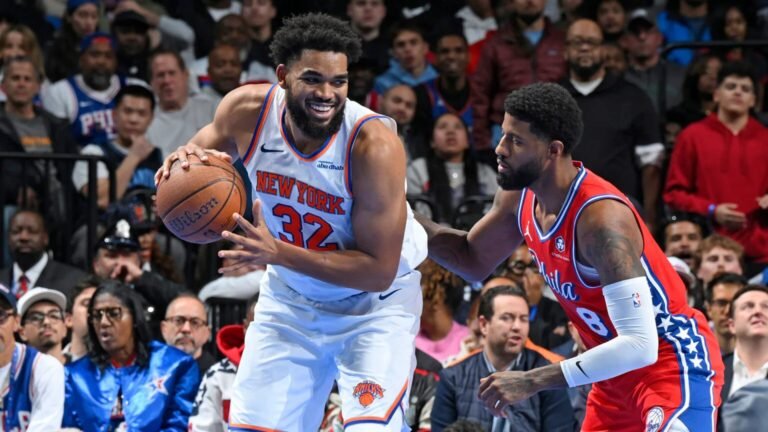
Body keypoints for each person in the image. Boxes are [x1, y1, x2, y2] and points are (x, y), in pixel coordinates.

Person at [156, 13, 427, 432]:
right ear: (283, 76)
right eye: (313, 79)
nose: (327, 94)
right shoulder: (247, 111)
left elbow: (378, 271)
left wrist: (278, 253)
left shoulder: (373, 146)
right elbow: (189, 169)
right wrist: (176, 166)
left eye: (338, 82)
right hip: (292, 300)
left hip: (373, 307)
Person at [416, 82, 723, 431]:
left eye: (516, 141)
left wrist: (532, 380)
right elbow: (470, 259)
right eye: (503, 135)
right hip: (611, 376)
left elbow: (640, 345)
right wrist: (399, 216)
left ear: (553, 150)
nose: (500, 149)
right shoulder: (519, 196)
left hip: (671, 364)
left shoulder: (600, 220)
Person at [664, 61, 768, 270]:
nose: (738, 92)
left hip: (762, 249)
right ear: (716, 94)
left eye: (745, 89)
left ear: (753, 100)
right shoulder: (691, 136)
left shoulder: (766, 138)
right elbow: (673, 194)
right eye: (731, 86)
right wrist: (712, 210)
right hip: (708, 249)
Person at [431, 285, 575, 431]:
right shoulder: (453, 377)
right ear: (484, 325)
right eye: (507, 318)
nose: (517, 326)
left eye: (524, 319)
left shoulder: (545, 376)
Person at [63, 281, 199, 431]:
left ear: (134, 317)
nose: (104, 322)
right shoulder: (75, 376)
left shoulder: (176, 365)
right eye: (97, 316)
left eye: (114, 313)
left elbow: (180, 427)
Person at [71, 84, 162, 209]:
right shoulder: (93, 153)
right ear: (114, 114)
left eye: (141, 113)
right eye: (128, 111)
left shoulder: (160, 156)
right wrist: (134, 157)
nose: (133, 119)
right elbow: (102, 200)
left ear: (151, 118)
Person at [189, 293, 258, 432]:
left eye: (277, 329)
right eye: (260, 328)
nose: (267, 336)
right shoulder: (219, 375)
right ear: (245, 328)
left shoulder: (303, 374)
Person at [0, 282, 65, 430]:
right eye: (36, 317)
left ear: (17, 322)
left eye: (0, 315)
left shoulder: (45, 368)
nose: (46, 322)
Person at [1, 209, 86, 298]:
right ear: (8, 237)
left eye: (32, 231)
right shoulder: (2, 279)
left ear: (45, 238)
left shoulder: (74, 280)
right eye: (16, 231)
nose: (24, 237)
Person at [719, 285, 768, 431]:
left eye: (766, 306)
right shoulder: (711, 372)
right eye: (748, 306)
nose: (758, 311)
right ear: (731, 325)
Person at [161, 293, 216, 375]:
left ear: (207, 333)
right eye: (178, 321)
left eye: (195, 322)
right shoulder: (146, 370)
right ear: (164, 328)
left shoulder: (218, 377)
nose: (186, 329)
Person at [17, 287, 69, 364]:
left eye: (54, 316)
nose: (46, 322)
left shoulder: (84, 368)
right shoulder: (12, 370)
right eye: (36, 318)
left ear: (65, 328)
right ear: (22, 332)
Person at [706, 273, 747, 355]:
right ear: (709, 309)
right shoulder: (692, 345)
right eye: (721, 303)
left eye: (735, 303)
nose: (727, 311)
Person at [64, 274, 100, 362]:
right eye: (87, 304)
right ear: (69, 319)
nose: (95, 310)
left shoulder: (121, 367)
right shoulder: (51, 365)